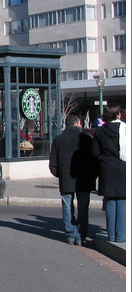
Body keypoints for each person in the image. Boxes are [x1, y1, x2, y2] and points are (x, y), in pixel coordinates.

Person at [49, 115, 97, 246]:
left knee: (67, 206)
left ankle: (70, 234)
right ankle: (81, 234)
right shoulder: (87, 139)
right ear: (78, 124)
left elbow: (53, 163)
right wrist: (94, 175)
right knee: (83, 207)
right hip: (84, 178)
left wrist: (60, 174)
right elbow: (94, 160)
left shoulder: (58, 140)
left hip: (66, 177)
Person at [92, 105, 126, 243]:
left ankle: (111, 235)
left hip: (106, 168)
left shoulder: (100, 131)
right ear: (118, 115)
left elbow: (95, 152)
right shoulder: (125, 129)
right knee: (123, 200)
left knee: (110, 200)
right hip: (123, 167)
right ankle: (121, 235)